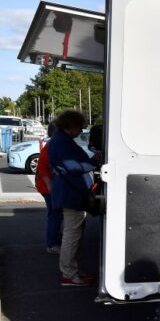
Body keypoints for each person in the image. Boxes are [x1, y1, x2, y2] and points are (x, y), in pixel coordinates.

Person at [48, 110, 99, 286]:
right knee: (71, 235)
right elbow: (73, 167)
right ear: (71, 127)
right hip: (71, 194)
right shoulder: (62, 142)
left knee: (72, 234)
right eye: (80, 127)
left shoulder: (60, 140)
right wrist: (94, 162)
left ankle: (73, 270)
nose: (81, 131)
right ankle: (69, 273)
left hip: (70, 193)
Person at [35, 121, 62, 255]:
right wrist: (50, 185)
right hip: (48, 187)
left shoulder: (52, 145)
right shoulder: (51, 146)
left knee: (55, 215)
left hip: (48, 186)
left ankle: (55, 241)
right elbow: (42, 168)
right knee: (55, 215)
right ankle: (52, 244)